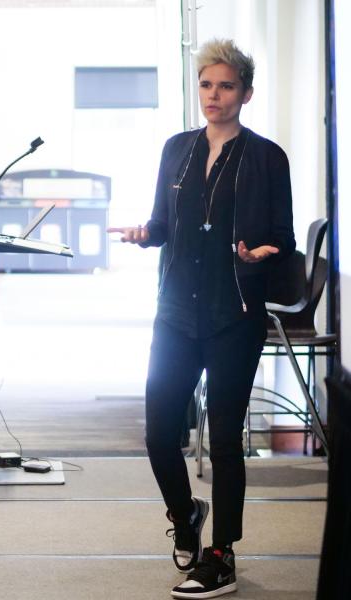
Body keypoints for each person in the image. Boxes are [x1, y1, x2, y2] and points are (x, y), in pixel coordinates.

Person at [108, 39, 295, 599]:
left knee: (224, 442)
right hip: (175, 313)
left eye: (227, 86)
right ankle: (185, 512)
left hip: (234, 314)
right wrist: (146, 234)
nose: (214, 96)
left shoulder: (267, 157)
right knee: (159, 434)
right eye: (207, 85)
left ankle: (222, 555)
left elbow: (282, 238)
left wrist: (261, 254)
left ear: (246, 93)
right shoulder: (177, 150)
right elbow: (163, 223)